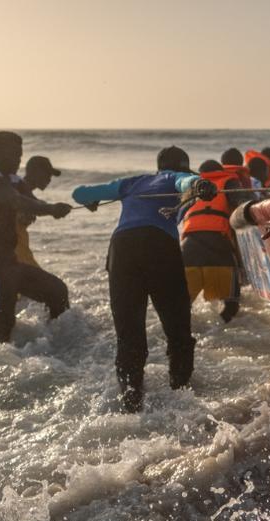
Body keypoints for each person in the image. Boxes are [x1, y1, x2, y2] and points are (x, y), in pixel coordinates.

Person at [72, 146, 212, 413]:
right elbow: (186, 182)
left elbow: (80, 193)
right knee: (178, 331)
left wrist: (89, 201)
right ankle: (181, 399)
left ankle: (131, 404)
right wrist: (200, 184)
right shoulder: (174, 178)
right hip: (159, 247)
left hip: (121, 251)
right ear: (181, 167)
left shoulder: (132, 183)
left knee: (129, 336)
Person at [0, 132, 72, 343]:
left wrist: (53, 209)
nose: (19, 160)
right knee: (4, 306)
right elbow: (15, 200)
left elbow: (30, 202)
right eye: (14, 154)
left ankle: (54, 343)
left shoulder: (15, 181)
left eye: (20, 155)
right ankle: (0, 357)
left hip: (6, 257)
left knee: (57, 291)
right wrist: (50, 209)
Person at [180, 160, 252, 323]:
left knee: (182, 307)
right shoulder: (229, 182)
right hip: (219, 251)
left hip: (187, 253)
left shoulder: (193, 188)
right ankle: (220, 331)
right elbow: (242, 204)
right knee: (231, 308)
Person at [11, 155, 63, 268]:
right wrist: (52, 209)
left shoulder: (25, 193)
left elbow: (36, 204)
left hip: (21, 249)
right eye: (47, 174)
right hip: (14, 252)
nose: (49, 179)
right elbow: (30, 204)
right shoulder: (18, 190)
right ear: (35, 172)